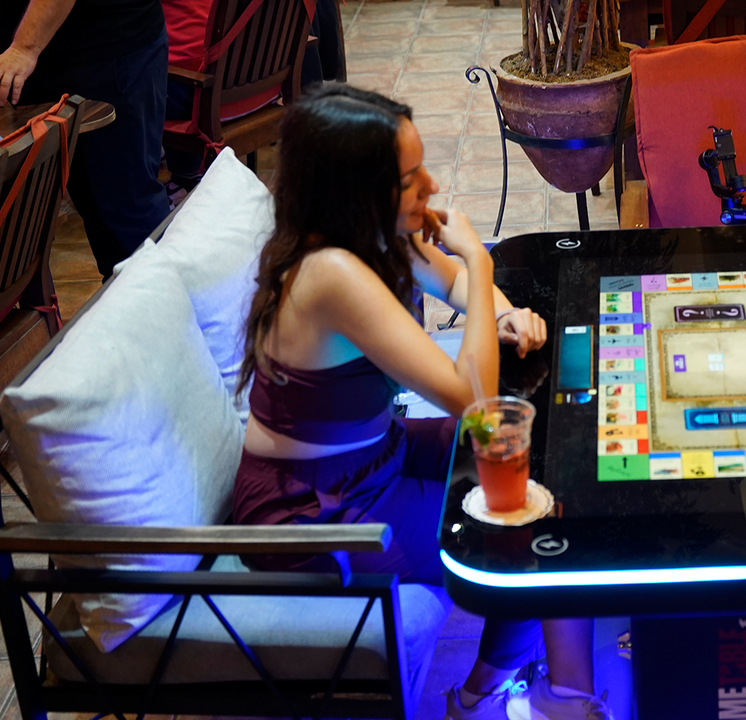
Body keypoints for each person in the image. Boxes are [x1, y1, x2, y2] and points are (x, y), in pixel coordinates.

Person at [230, 83, 610, 720]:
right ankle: (555, 700)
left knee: (547, 465)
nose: (431, 187)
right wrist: (482, 263)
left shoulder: (375, 236)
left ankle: (488, 692)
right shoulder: (331, 274)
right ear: (358, 191)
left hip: (378, 453)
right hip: (311, 510)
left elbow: (451, 281)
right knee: (535, 529)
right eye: (410, 179)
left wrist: (504, 312)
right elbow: (472, 398)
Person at [0, 0, 172, 279]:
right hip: (41, 58)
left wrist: (24, 48)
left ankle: (166, 298)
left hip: (106, 52)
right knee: (92, 204)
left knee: (127, 206)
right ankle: (125, 294)